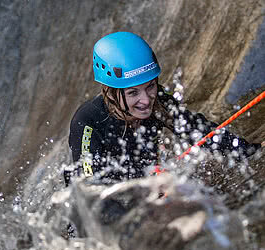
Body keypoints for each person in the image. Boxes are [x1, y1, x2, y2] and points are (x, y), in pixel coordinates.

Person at [66, 31, 264, 185]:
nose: (146, 101)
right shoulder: (88, 121)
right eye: (133, 92)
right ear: (110, 91)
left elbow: (197, 130)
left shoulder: (158, 100)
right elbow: (87, 190)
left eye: (150, 86)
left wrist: (251, 151)